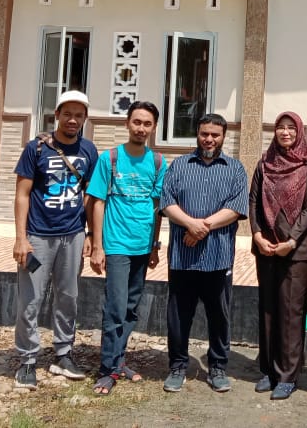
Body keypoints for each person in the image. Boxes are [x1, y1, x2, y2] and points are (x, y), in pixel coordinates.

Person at [12, 89, 99, 390]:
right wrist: (20, 238)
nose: (72, 119)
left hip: (72, 237)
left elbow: (90, 197)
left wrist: (89, 234)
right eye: (67, 114)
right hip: (38, 237)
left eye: (79, 115)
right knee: (31, 299)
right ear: (57, 115)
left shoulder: (89, 151)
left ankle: (63, 353)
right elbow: (22, 194)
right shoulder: (36, 149)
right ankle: (27, 359)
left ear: (85, 119)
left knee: (68, 296)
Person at [160, 113, 249, 394]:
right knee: (178, 315)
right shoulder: (179, 165)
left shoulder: (235, 169)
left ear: (224, 137)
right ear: (196, 134)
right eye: (204, 134)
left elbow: (236, 208)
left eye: (215, 134)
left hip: (218, 257)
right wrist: (189, 223)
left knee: (219, 316)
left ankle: (218, 367)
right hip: (182, 258)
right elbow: (166, 202)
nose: (209, 139)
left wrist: (201, 227)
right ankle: (177, 366)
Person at [87, 101, 166, 395]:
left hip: (143, 246)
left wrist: (156, 245)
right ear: (127, 124)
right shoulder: (109, 158)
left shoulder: (158, 162)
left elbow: (158, 207)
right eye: (137, 122)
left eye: (147, 124)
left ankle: (118, 361)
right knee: (116, 308)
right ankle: (107, 369)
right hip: (116, 244)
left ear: (153, 127)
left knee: (132, 308)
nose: (141, 128)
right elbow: (97, 201)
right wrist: (97, 245)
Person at [249, 112, 307, 400]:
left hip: (295, 251)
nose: (286, 132)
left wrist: (291, 241)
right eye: (281, 127)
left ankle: (288, 375)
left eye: (292, 128)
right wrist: (256, 235)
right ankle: (268, 370)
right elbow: (253, 201)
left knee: (290, 312)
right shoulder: (264, 164)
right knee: (267, 309)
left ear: (300, 132)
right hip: (266, 246)